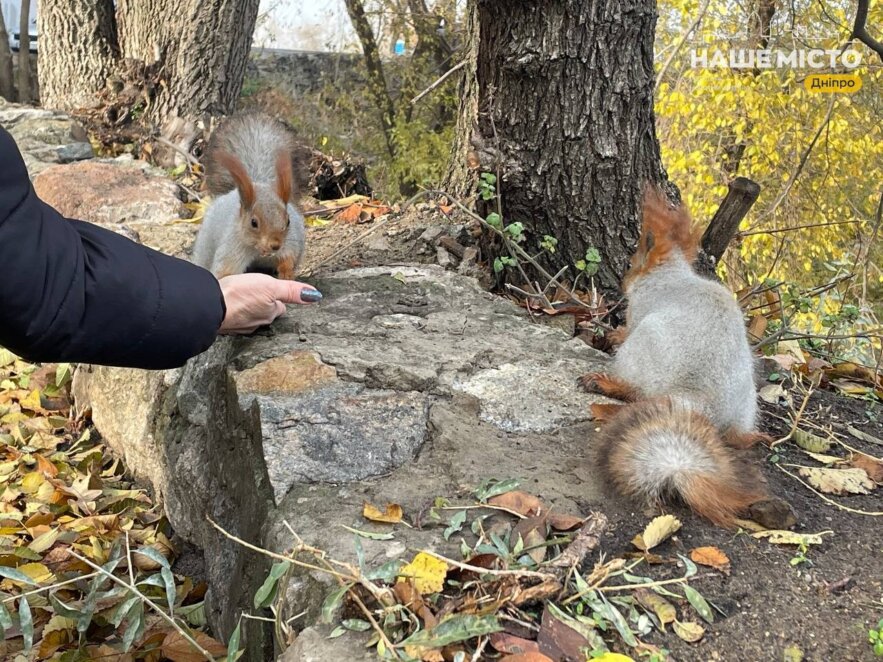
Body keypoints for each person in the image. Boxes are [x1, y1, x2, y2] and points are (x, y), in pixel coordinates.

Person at [0, 126, 321, 370]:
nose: (272, 242)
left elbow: (28, 264)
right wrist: (213, 300)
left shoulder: (287, 223)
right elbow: (34, 285)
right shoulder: (232, 223)